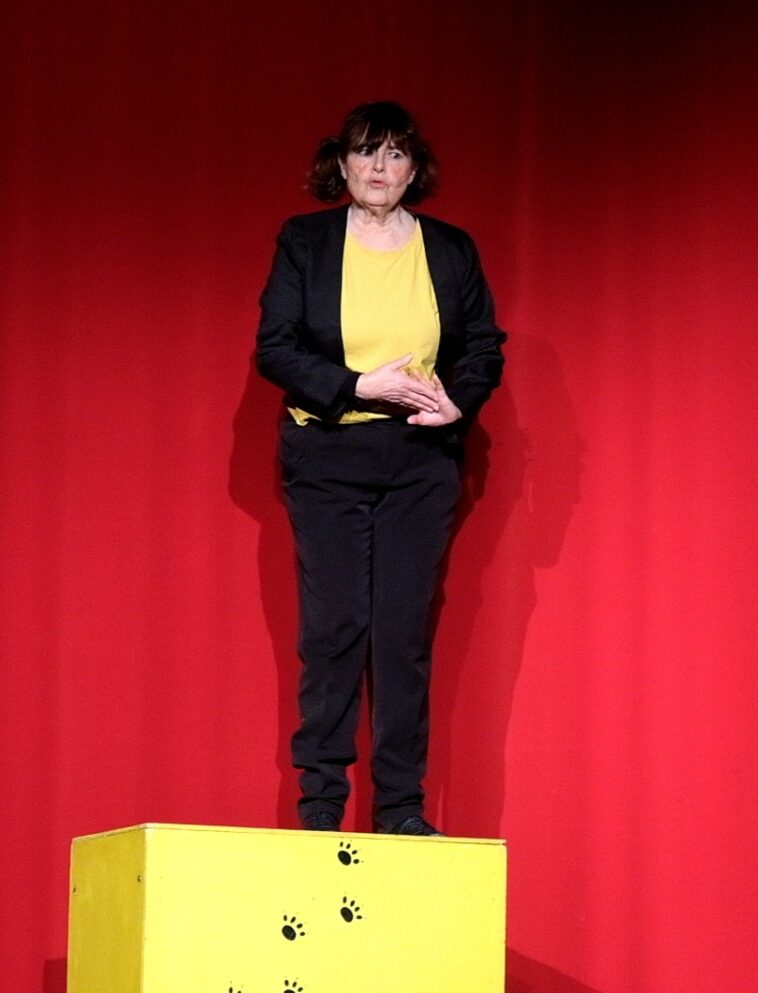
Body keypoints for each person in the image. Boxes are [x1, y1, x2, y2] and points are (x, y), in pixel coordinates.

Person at [255, 101, 505, 835]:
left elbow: (483, 345)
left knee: (400, 634)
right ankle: (321, 808)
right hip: (329, 453)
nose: (379, 167)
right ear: (340, 163)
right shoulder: (306, 242)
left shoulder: (449, 249)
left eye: (395, 154)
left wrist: (455, 403)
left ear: (413, 168)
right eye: (366, 152)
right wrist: (359, 385)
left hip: (418, 460)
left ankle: (400, 809)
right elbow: (275, 347)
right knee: (335, 628)